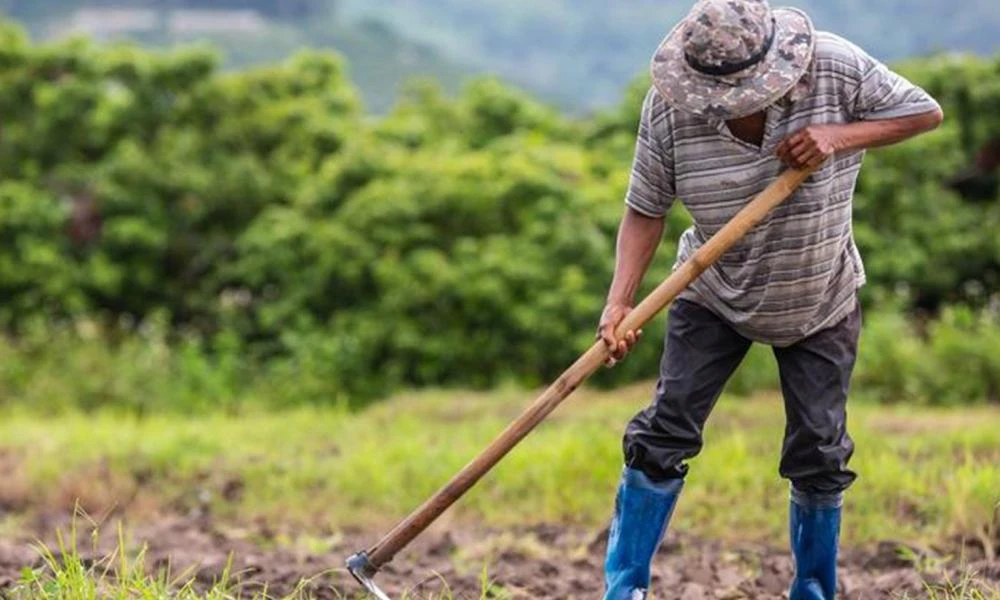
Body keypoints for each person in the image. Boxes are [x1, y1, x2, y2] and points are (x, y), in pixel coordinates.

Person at [597, 1, 943, 598]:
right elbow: (645, 208)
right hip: (711, 292)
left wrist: (839, 135)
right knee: (664, 432)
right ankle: (623, 588)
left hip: (819, 293)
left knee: (819, 449)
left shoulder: (833, 67)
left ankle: (813, 588)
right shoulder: (671, 110)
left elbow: (924, 112)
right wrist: (618, 305)